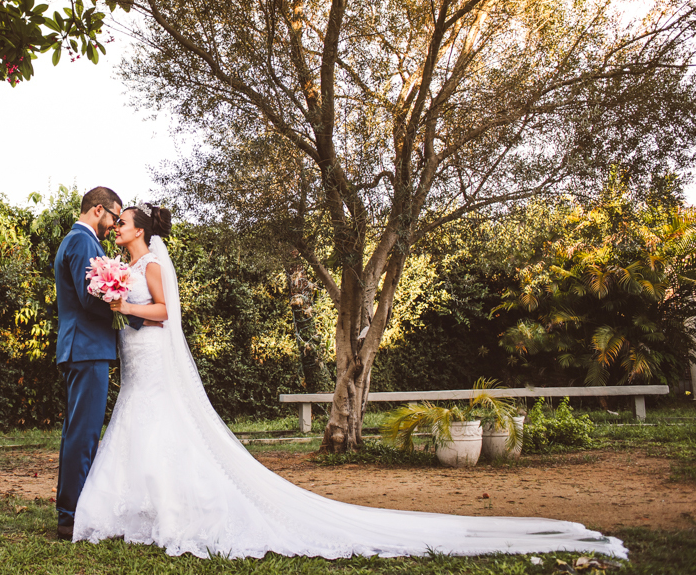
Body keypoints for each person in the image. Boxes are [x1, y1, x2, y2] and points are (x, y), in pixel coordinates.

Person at [72, 202, 628, 561]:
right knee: (140, 425)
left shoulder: (148, 267)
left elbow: (164, 313)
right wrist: (118, 301)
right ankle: (140, 509)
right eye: (114, 220)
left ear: (139, 230)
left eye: (122, 222)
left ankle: (171, 508)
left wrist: (120, 304)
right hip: (139, 358)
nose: (115, 226)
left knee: (161, 426)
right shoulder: (131, 263)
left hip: (147, 348)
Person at [52, 186, 159, 541]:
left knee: (77, 433)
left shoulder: (74, 239)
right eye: (113, 216)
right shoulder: (83, 241)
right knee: (83, 435)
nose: (114, 225)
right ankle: (71, 516)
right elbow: (88, 298)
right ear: (98, 210)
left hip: (81, 347)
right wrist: (129, 313)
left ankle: (71, 510)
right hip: (87, 348)